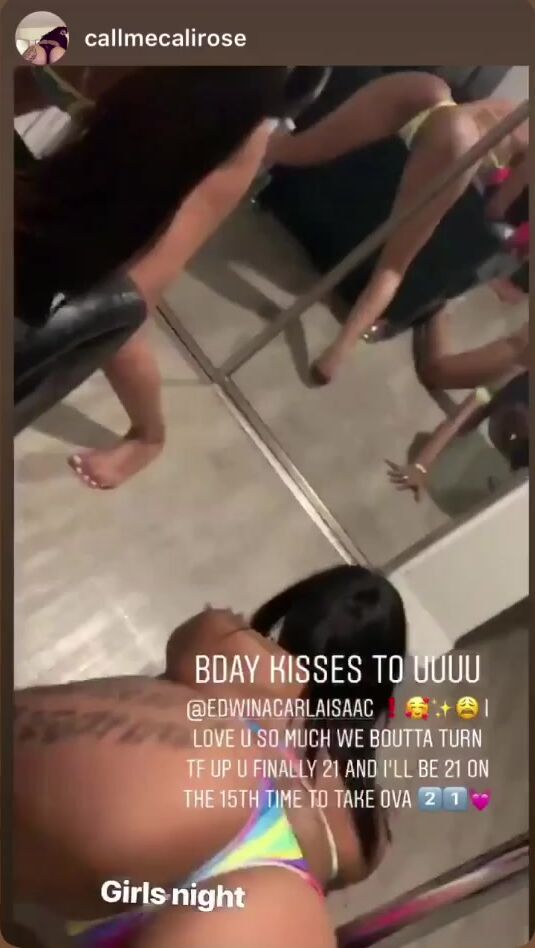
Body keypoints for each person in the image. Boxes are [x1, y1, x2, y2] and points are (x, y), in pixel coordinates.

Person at [15, 565, 406, 948]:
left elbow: (188, 654)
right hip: (262, 888)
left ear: (302, 612)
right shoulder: (369, 832)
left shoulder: (234, 648)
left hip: (185, 795)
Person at [15, 66, 326, 488]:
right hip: (115, 105)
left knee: (120, 325)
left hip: (185, 137)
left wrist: (105, 306)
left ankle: (149, 435)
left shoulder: (227, 125)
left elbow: (147, 277)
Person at [267, 71, 529, 383]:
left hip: (433, 99)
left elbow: (475, 115)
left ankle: (239, 153)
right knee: (394, 265)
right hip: (459, 146)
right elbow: (498, 206)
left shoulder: (518, 107)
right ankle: (336, 353)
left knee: (298, 150)